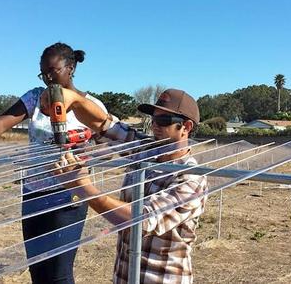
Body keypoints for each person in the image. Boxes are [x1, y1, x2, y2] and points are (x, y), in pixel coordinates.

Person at [0, 42, 108, 284]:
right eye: (43, 72)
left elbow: (106, 145)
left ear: (71, 68)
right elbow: (3, 121)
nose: (48, 78)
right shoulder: (35, 98)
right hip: (34, 192)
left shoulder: (91, 106)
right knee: (37, 267)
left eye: (53, 71)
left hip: (69, 197)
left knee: (59, 272)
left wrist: (86, 152)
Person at [55, 89, 207, 284]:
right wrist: (74, 100)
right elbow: (105, 125)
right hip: (126, 275)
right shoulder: (147, 151)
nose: (154, 126)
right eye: (153, 119)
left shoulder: (191, 179)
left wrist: (83, 187)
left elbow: (141, 220)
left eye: (163, 120)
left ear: (185, 126)